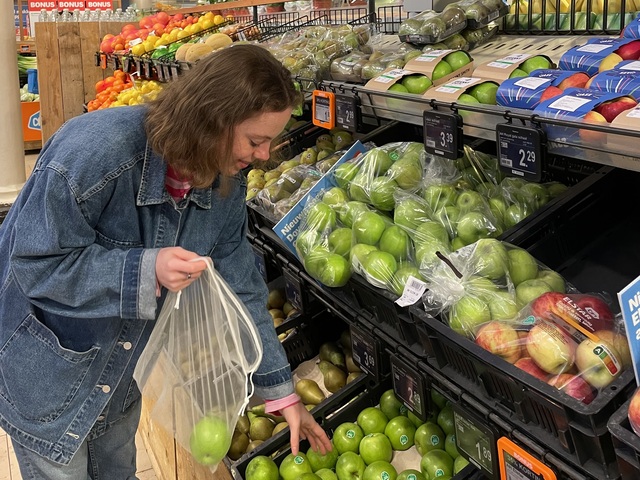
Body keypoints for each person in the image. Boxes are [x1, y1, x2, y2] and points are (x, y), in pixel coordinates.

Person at [0, 44, 331, 479]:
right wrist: (144, 270)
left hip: (120, 378)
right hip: (50, 377)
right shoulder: (95, 151)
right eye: (256, 140)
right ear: (212, 120)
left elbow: (243, 285)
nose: (266, 155)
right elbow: (35, 263)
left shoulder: (224, 181)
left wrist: (280, 391)